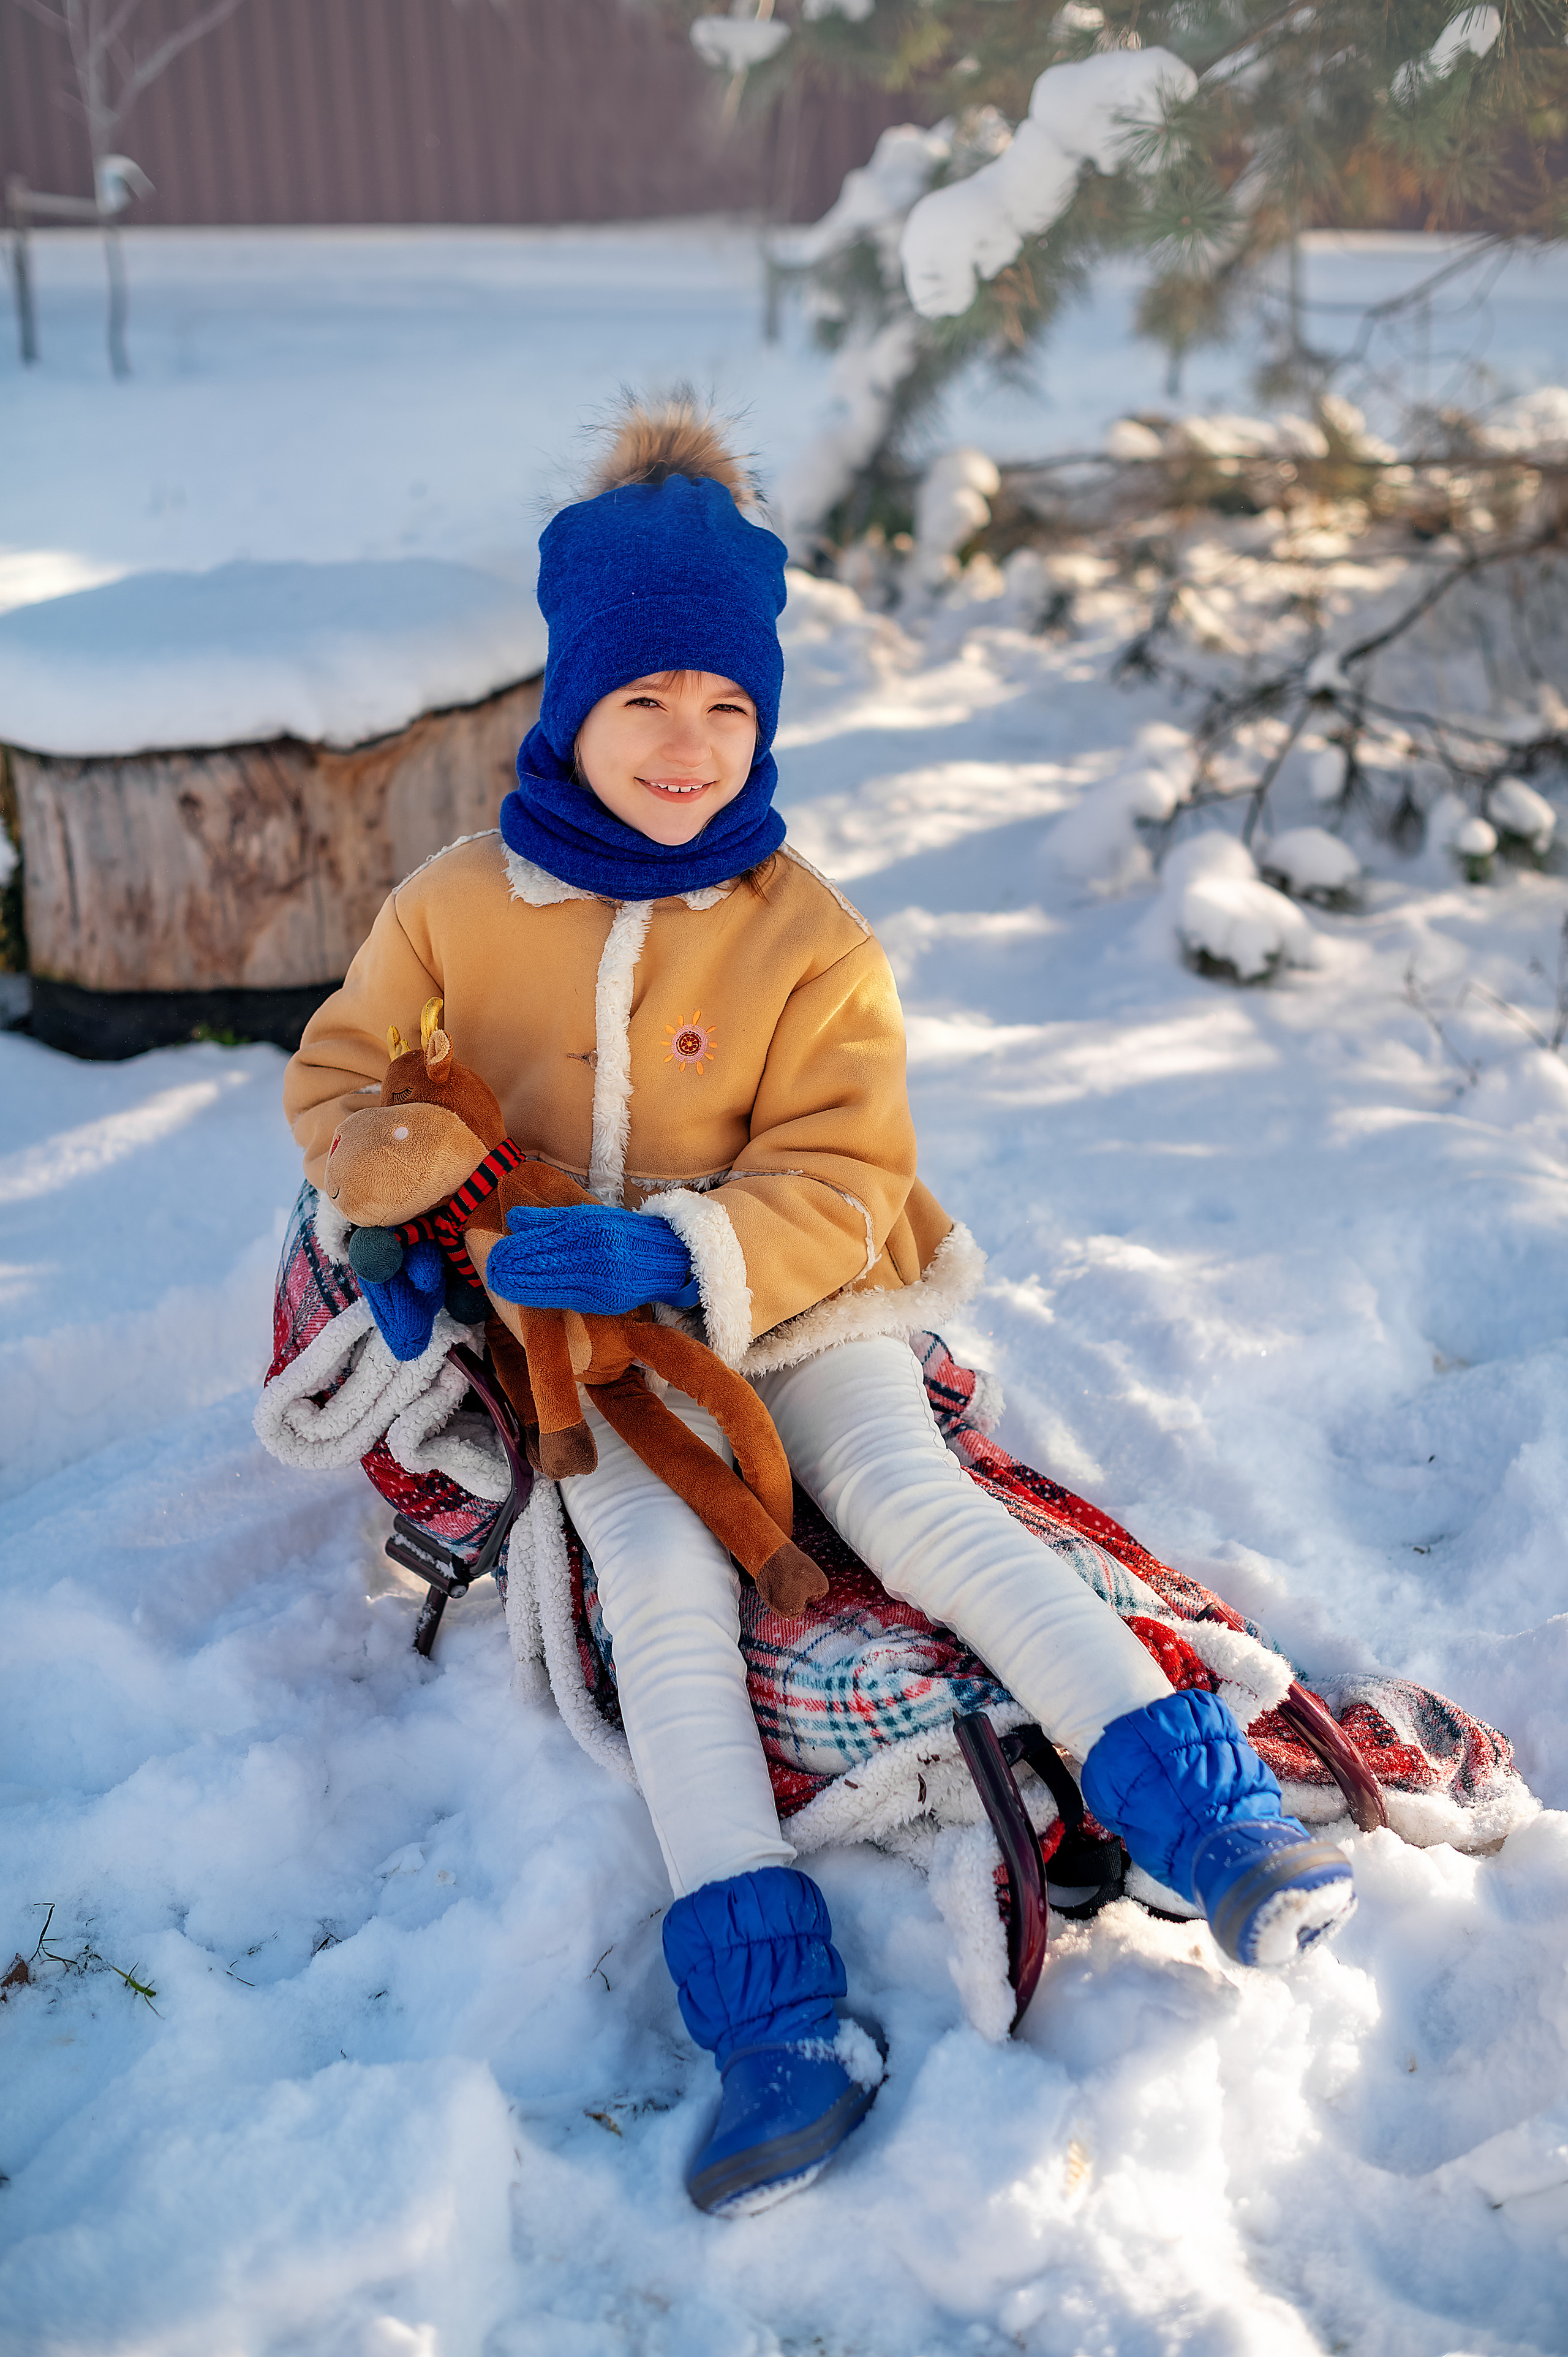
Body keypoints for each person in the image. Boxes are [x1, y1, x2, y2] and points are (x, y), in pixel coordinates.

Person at [283, 399, 1355, 2217]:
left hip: (800, 1304)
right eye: (646, 703)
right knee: (664, 1601)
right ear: (568, 705)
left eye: (729, 708)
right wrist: (417, 1210)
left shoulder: (808, 936)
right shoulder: (458, 906)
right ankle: (776, 2021)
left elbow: (849, 1174)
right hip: (593, 1369)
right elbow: (342, 1081)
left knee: (918, 1509)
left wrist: (686, 1246)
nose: (690, 747)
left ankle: (1201, 1808)